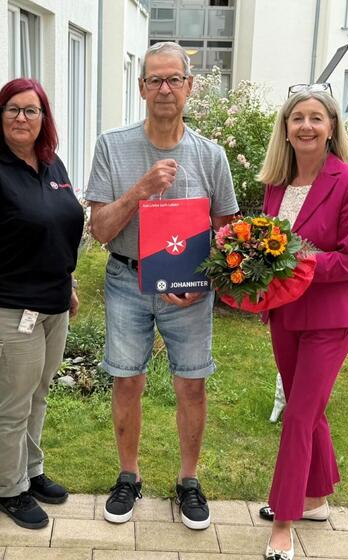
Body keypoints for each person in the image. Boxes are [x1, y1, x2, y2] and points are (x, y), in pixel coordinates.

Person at [85, 41, 239, 530]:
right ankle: (128, 476)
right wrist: (141, 190)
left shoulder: (210, 155)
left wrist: (203, 279)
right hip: (127, 278)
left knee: (191, 383)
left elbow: (227, 233)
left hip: (188, 291)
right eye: (155, 80)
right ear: (141, 87)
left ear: (190, 87)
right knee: (126, 379)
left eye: (174, 79)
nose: (165, 89)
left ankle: (189, 480)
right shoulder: (113, 145)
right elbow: (101, 229)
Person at [0, 78, 84, 530]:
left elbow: (59, 230)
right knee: (12, 404)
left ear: (44, 118)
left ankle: (31, 472)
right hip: (8, 311)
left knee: (39, 394)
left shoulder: (52, 166)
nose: (22, 118)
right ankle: (11, 491)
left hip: (52, 306)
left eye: (31, 110)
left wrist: (66, 284)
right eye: (12, 109)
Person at [255, 84, 348, 560]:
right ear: (285, 129)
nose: (306, 125)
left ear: (330, 129)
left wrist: (291, 262)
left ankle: (284, 521)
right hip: (285, 314)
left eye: (315, 118)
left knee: (299, 415)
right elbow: (264, 246)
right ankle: (317, 499)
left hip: (329, 317)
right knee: (311, 412)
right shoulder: (275, 185)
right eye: (297, 117)